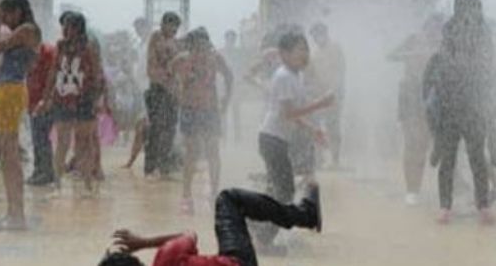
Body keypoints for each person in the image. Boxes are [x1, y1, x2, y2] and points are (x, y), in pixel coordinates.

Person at [101, 183, 321, 266]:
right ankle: (306, 214)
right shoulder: (166, 258)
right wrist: (143, 242)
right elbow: (189, 235)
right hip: (238, 263)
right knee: (228, 198)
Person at [256, 31, 334, 250]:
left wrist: (313, 130)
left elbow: (291, 114)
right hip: (272, 140)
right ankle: (262, 239)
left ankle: (255, 223)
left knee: (276, 189)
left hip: (276, 140)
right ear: (284, 53)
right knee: (285, 192)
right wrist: (321, 104)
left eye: (306, 49)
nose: (305, 53)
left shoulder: (295, 75)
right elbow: (288, 113)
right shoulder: (284, 76)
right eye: (300, 49)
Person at [428, 0, 496, 225]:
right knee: (448, 158)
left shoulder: (483, 31)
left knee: (477, 156)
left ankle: (483, 205)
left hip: (474, 103)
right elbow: (445, 62)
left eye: (472, 6)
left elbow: (489, 64)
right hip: (451, 102)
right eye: (464, 7)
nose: (468, 12)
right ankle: (445, 206)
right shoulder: (449, 29)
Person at [0, 0, 41, 230]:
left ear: (17, 11)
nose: (5, 20)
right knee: (6, 152)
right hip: (8, 90)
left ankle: (17, 214)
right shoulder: (24, 30)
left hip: (12, 90)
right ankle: (13, 211)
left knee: (9, 153)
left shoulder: (27, 29)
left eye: (7, 15)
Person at [40, 11, 104, 190]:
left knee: (84, 142)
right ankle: (57, 183)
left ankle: (88, 183)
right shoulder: (61, 46)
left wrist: (97, 100)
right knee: (63, 142)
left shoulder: (88, 48)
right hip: (63, 98)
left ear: (77, 28)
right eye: (64, 26)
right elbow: (53, 72)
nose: (63, 30)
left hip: (85, 98)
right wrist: (45, 98)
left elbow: (97, 75)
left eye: (67, 27)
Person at [173, 27, 233, 214]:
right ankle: (186, 195)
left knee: (212, 151)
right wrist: (178, 92)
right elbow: (170, 74)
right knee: (191, 153)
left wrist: (226, 100)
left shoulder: (215, 58)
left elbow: (229, 76)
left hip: (210, 110)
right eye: (197, 47)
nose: (201, 51)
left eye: (204, 46)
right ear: (190, 46)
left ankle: (214, 193)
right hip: (190, 110)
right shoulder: (182, 60)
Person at [388, 14, 441, 205]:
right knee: (411, 143)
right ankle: (411, 190)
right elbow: (391, 55)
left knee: (425, 143)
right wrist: (410, 54)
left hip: (432, 95)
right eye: (432, 28)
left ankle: (418, 188)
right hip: (409, 94)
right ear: (425, 27)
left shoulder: (442, 45)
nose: (434, 32)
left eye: (438, 29)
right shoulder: (413, 39)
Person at [144, 12, 183, 178]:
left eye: (176, 27)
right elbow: (152, 66)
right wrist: (164, 81)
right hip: (158, 89)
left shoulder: (175, 43)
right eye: (172, 26)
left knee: (170, 128)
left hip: (172, 91)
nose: (174, 30)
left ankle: (164, 166)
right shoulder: (156, 38)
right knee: (156, 128)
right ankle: (150, 167)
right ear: (164, 24)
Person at [307, 23, 345, 169]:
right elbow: (311, 74)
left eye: (317, 35)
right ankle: (319, 158)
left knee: (333, 127)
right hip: (318, 95)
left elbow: (340, 72)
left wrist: (334, 90)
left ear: (324, 33)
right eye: (314, 36)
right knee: (316, 126)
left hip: (333, 95)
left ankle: (335, 159)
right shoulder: (314, 53)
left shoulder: (335, 49)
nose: (316, 39)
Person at [26, 24, 58, 186]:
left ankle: (47, 172)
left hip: (45, 102)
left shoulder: (49, 52)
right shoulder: (28, 54)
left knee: (43, 138)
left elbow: (54, 78)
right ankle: (39, 170)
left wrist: (47, 100)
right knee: (36, 138)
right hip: (32, 101)